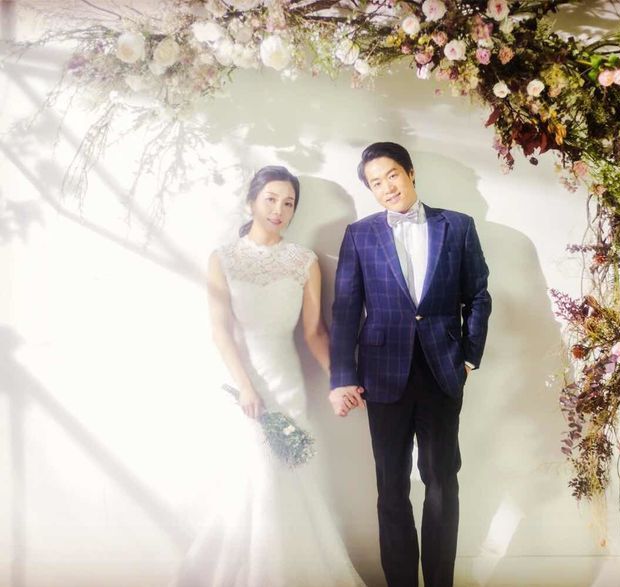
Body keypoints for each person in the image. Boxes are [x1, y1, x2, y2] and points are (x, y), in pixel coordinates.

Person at [174, 165, 365, 587]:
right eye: (271, 199)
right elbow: (220, 331)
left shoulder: (304, 261)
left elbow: (314, 332)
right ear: (251, 202)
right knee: (254, 480)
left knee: (290, 479)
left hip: (288, 385)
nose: (279, 210)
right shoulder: (223, 258)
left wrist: (339, 379)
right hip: (242, 384)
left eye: (288, 203)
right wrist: (245, 386)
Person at [329, 143, 492, 587]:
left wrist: (469, 357)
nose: (387, 187)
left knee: (441, 481)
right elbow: (346, 309)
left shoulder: (457, 226)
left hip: (443, 370)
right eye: (376, 183)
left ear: (410, 173)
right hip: (382, 375)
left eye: (392, 175)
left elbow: (478, 295)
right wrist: (342, 376)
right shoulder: (359, 235)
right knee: (391, 487)